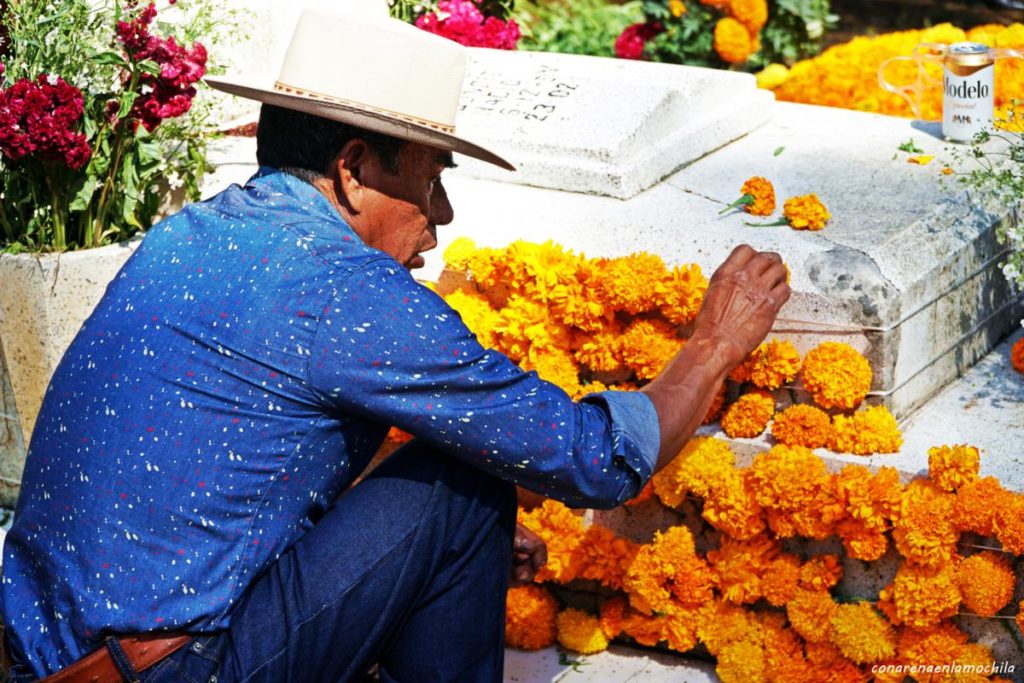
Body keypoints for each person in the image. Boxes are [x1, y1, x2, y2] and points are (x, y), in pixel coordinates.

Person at [0, 7, 789, 683]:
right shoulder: (342, 286)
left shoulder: (195, 231)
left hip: (48, 651)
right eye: (432, 178)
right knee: (460, 485)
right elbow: (595, 458)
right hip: (165, 666)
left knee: (445, 496)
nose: (442, 216)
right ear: (351, 171)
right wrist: (713, 344)